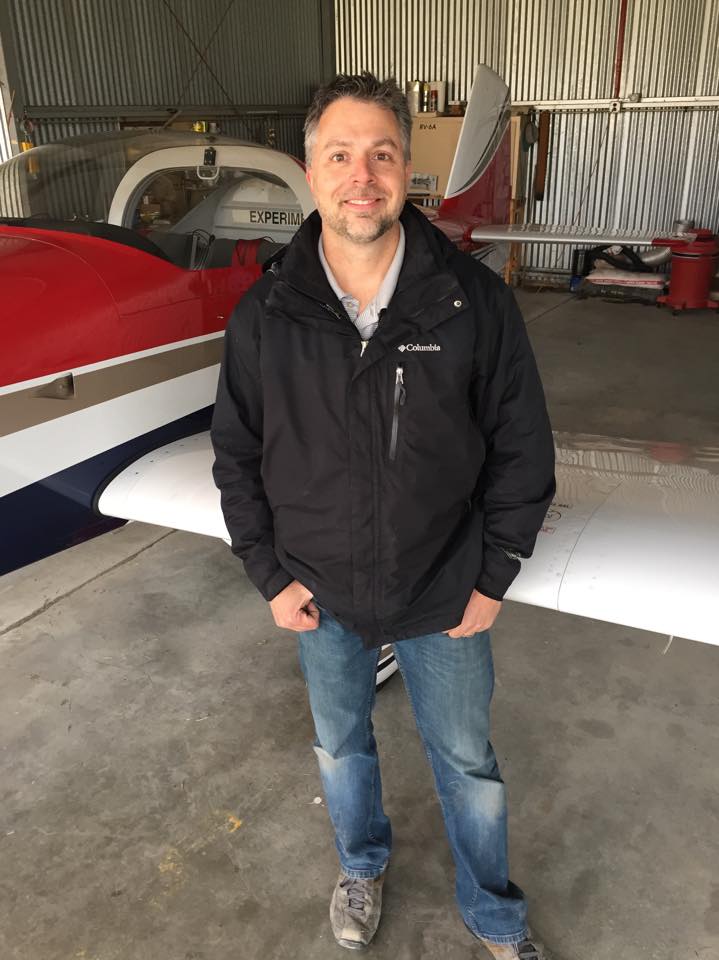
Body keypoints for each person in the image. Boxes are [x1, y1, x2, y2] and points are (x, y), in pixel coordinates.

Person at [211, 72, 555, 959]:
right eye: (339, 156)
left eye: (381, 154)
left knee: (467, 762)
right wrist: (269, 575)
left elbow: (521, 447)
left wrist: (493, 573)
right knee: (339, 747)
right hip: (318, 589)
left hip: (444, 590)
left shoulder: (472, 302)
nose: (360, 176)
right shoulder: (264, 313)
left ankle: (493, 912)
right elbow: (238, 455)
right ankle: (361, 864)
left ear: (406, 170)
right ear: (310, 172)